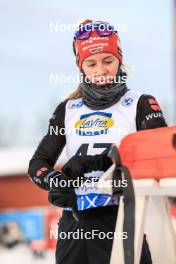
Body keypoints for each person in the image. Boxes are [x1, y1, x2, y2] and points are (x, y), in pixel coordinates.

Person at [28, 19, 167, 264]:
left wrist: (104, 163)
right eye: (91, 63)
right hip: (75, 223)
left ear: (119, 59)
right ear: (80, 66)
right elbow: (38, 163)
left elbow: (162, 161)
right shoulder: (68, 109)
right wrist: (56, 181)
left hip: (122, 219)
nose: (100, 70)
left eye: (108, 61)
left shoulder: (140, 104)